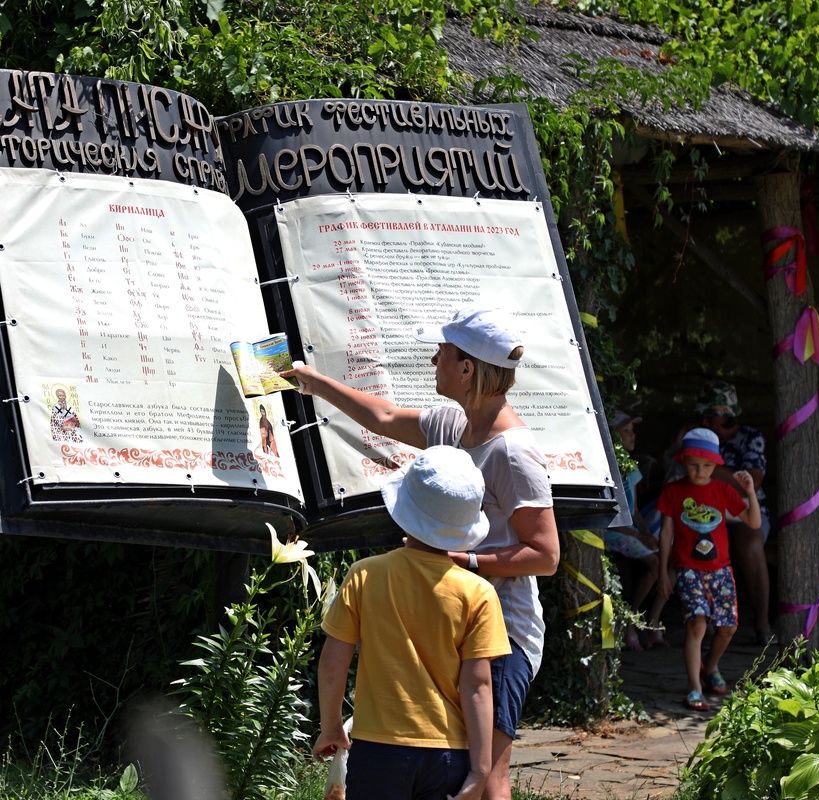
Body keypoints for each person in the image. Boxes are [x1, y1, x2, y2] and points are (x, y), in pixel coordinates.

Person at [285, 305, 558, 800]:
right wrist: (310, 382)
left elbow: (545, 554)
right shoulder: (454, 424)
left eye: (442, 353)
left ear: (467, 368)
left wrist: (466, 563)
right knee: (450, 769)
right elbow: (385, 417)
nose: (434, 359)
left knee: (489, 774)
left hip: (501, 632)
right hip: (449, 617)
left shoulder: (513, 452)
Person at [313, 446, 511, 800]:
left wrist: (331, 728)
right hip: (449, 754)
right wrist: (481, 771)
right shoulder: (478, 593)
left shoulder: (365, 575)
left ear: (404, 511)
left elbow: (332, 664)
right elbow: (479, 686)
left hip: (377, 750)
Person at [656, 427, 761, 711]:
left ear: (716, 464)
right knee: (697, 624)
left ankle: (710, 665)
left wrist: (750, 492)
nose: (699, 471)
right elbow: (665, 534)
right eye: (693, 464)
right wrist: (664, 571)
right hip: (688, 569)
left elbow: (753, 523)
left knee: (727, 627)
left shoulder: (723, 490)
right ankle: (694, 687)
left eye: (706, 465)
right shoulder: (673, 491)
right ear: (683, 462)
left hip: (721, 570)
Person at [695, 380, 772, 644]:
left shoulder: (751, 437)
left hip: (744, 512)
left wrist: (710, 467)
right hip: (704, 513)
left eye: (713, 416)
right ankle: (705, 623)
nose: (708, 420)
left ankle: (762, 623)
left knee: (750, 546)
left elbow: (753, 480)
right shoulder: (700, 437)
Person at [604, 410, 665, 651]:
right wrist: (640, 536)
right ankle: (630, 620)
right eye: (626, 431)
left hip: (630, 531)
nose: (632, 436)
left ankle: (653, 622)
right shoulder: (609, 467)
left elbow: (635, 511)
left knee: (668, 559)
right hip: (615, 533)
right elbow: (612, 519)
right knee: (654, 565)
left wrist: (648, 533)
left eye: (632, 431)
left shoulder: (631, 467)